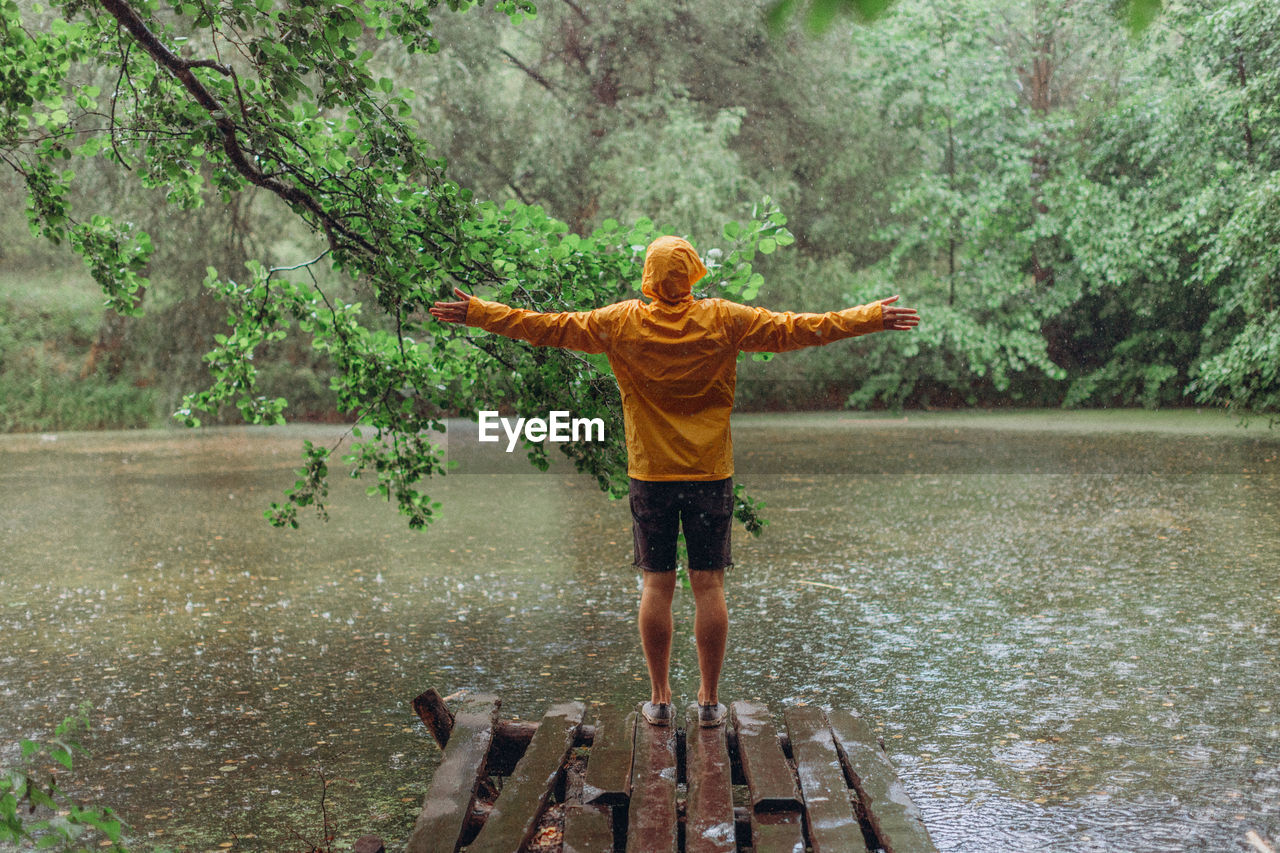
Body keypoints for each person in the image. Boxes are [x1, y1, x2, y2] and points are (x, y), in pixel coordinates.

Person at [430, 235, 919, 728]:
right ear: (690, 273)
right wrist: (869, 317)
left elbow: (546, 328)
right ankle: (709, 702)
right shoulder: (724, 318)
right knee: (708, 584)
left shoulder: (620, 322)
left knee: (657, 584)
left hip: (651, 475)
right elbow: (798, 329)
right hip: (710, 472)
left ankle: (660, 699)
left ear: (649, 275)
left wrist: (479, 313)